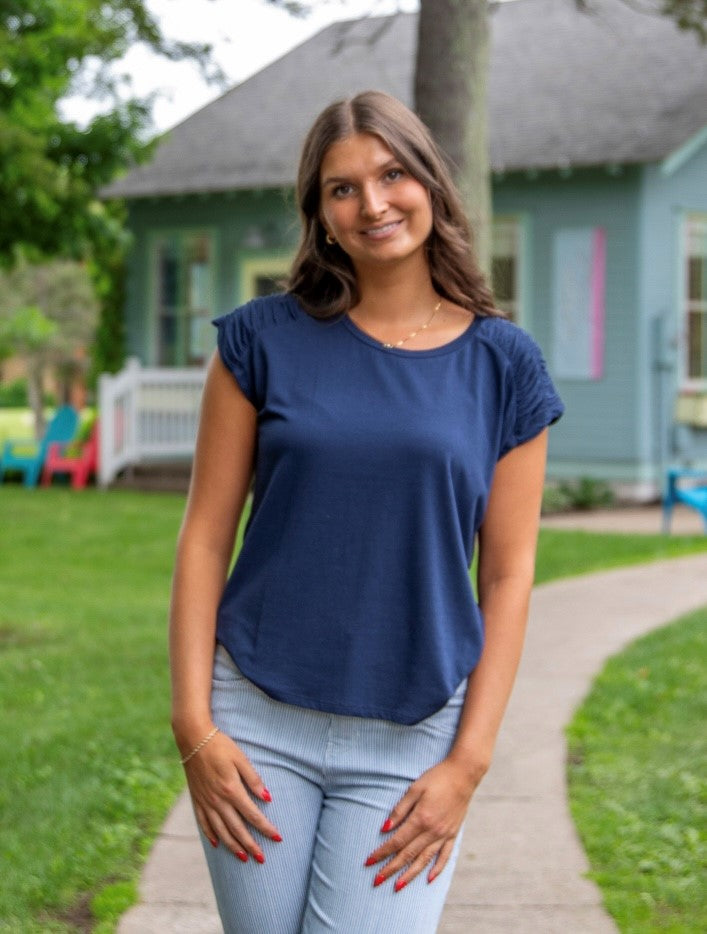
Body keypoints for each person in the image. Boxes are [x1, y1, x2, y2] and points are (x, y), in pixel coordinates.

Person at [169, 89, 564, 934]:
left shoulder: (504, 364)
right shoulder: (258, 342)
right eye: (342, 188)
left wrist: (469, 762)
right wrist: (193, 722)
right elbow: (205, 539)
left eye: (391, 174)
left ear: (430, 181)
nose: (373, 203)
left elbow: (508, 572)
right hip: (255, 720)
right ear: (318, 213)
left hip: (413, 732)